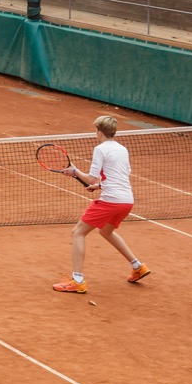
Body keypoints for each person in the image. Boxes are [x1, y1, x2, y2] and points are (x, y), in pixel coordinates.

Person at [52, 115, 150, 294]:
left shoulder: (100, 149)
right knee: (106, 231)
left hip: (110, 201)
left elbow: (91, 177)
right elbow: (118, 176)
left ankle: (77, 280)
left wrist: (75, 171)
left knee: (78, 233)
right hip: (127, 201)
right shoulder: (123, 149)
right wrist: (98, 186)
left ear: (99, 131)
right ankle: (138, 266)